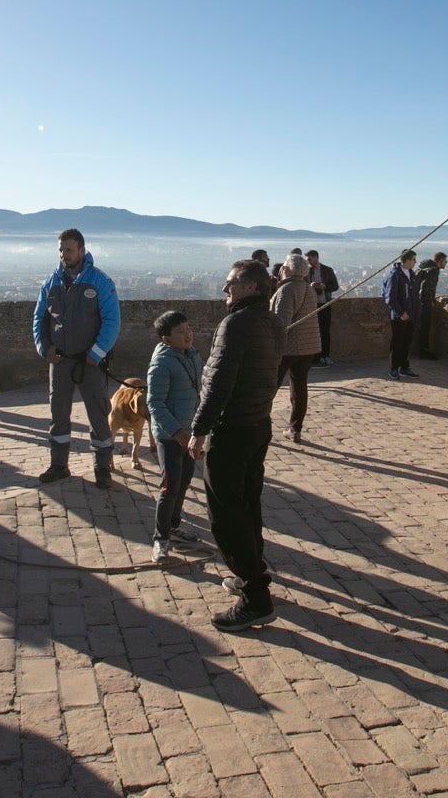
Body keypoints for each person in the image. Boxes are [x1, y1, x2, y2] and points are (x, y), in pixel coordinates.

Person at [188, 259, 284, 632]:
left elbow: (218, 384)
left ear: (251, 287)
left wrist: (199, 430)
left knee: (226, 517)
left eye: (230, 284)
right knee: (248, 504)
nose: (224, 289)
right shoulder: (273, 322)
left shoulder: (236, 324)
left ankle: (256, 600)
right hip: (258, 424)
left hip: (231, 430)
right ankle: (250, 575)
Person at [32, 229, 121, 488]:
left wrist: (96, 353)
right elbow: (39, 319)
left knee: (98, 414)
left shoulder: (100, 281)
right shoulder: (51, 283)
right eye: (61, 250)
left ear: (81, 250)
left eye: (69, 250)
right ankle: (59, 465)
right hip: (59, 361)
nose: (64, 255)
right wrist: (44, 348)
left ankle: (102, 468)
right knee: (58, 414)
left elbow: (112, 321)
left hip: (90, 363)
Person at [145, 310, 202, 563]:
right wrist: (178, 433)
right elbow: (155, 404)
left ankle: (174, 525)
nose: (188, 334)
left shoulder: (192, 356)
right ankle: (161, 538)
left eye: (188, 328)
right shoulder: (161, 363)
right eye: (180, 331)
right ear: (166, 339)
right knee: (169, 486)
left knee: (185, 481)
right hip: (171, 436)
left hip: (189, 433)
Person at [271, 253, 320, 443]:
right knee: (299, 388)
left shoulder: (287, 290)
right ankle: (295, 428)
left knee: (269, 385)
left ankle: (259, 424)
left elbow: (281, 323)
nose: (282, 269)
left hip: (289, 348)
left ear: (288, 270)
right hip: (308, 347)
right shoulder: (308, 289)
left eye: (284, 266)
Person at [383, 250, 421, 380]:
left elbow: (414, 296)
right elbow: (390, 298)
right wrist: (401, 312)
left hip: (411, 315)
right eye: (413, 259)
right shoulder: (395, 276)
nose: (415, 262)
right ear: (407, 260)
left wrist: (416, 312)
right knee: (397, 343)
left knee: (407, 343)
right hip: (399, 316)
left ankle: (405, 367)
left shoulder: (411, 274)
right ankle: (394, 368)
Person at [306, 250, 339, 366]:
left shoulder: (327, 270)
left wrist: (324, 286)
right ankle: (315, 357)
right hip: (311, 305)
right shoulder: (306, 272)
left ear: (316, 258)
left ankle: (325, 355)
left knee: (325, 331)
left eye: (310, 259)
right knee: (314, 332)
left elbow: (335, 286)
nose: (308, 262)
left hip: (324, 303)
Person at [415, 252, 448, 358]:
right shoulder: (433, 270)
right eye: (445, 261)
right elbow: (426, 287)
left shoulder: (425, 268)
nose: (446, 264)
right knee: (425, 326)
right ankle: (424, 350)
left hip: (418, 301)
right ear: (440, 261)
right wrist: (429, 301)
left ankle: (421, 350)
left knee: (421, 326)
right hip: (425, 303)